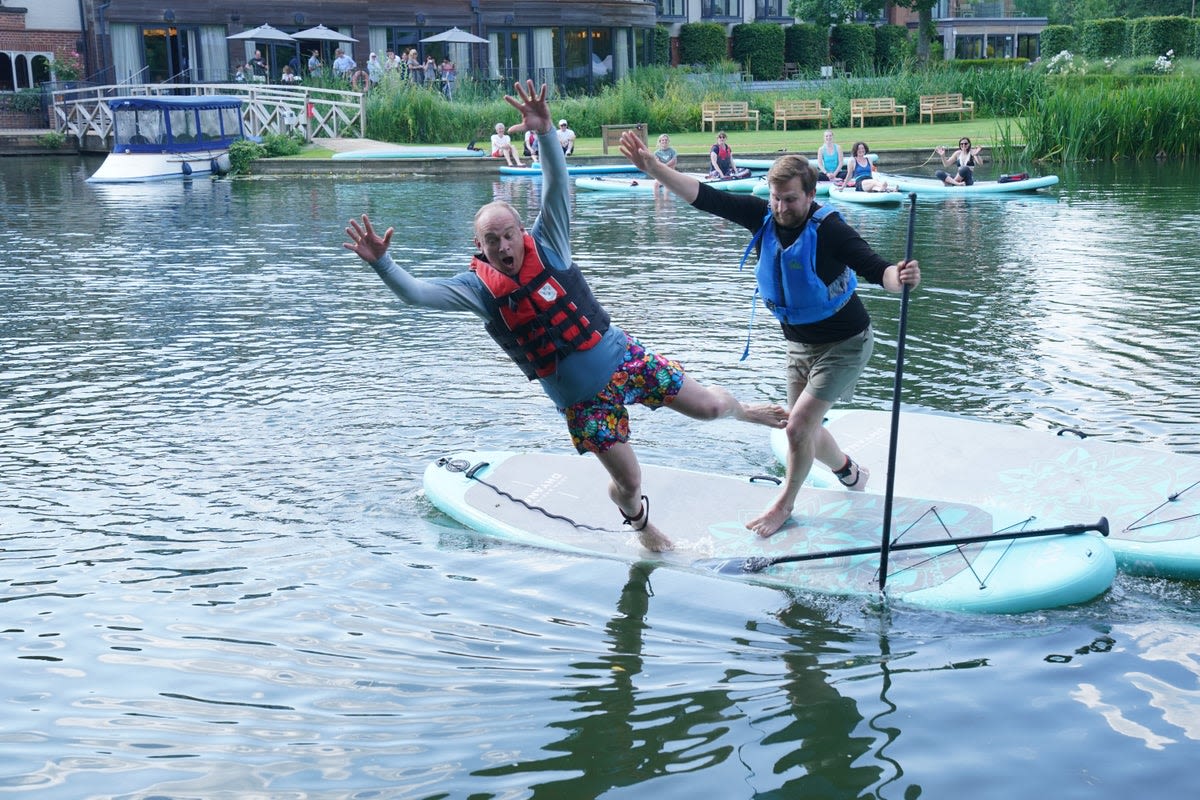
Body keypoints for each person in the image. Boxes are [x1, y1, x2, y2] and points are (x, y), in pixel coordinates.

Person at [343, 81, 787, 552]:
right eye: (492, 241)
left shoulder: (550, 241)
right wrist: (382, 264)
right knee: (630, 482)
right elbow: (416, 294)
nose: (504, 246)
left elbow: (556, 181)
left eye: (509, 235)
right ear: (480, 247)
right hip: (583, 404)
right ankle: (640, 526)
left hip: (623, 358)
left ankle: (746, 411)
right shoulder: (476, 290)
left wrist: (547, 131)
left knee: (712, 408)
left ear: (520, 230)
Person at [620, 133, 921, 538]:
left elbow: (874, 267)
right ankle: (850, 473)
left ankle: (784, 504)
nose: (781, 208)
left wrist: (898, 278)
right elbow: (707, 197)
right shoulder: (763, 216)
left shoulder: (830, 231)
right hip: (799, 346)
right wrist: (656, 169)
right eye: (776, 199)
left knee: (796, 428)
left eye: (791, 199)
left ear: (811, 194)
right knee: (804, 429)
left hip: (846, 343)